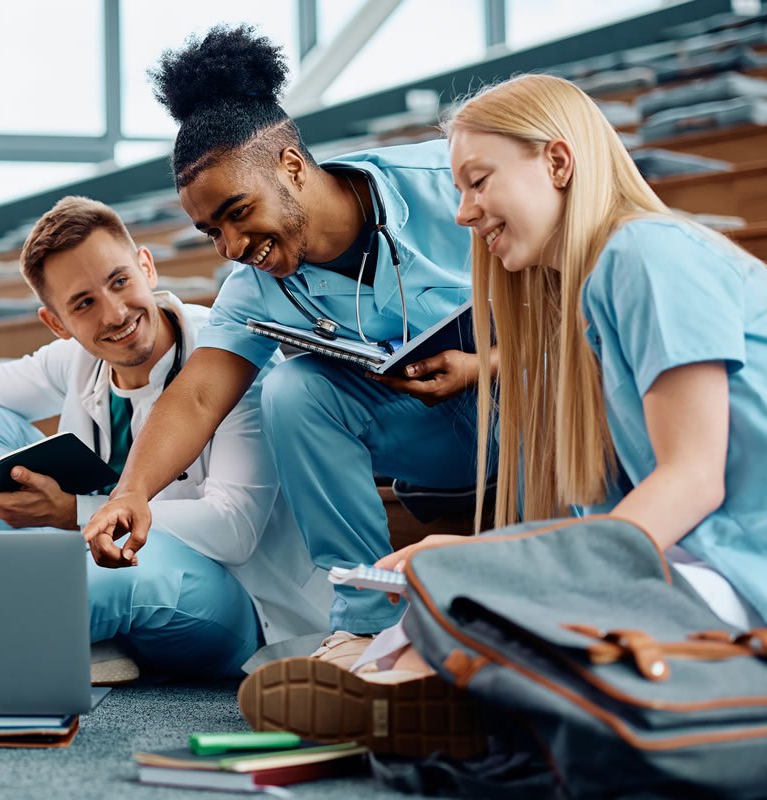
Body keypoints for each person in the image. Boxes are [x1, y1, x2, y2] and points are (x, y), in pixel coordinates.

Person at [242, 73, 767, 751]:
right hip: (702, 569)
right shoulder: (586, 307)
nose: (463, 211)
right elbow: (602, 526)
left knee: (488, 603)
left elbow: (692, 481)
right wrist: (477, 551)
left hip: (754, 578)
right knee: (458, 586)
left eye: (478, 180)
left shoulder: (647, 254)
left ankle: (420, 693)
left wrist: (505, 566)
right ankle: (428, 693)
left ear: (557, 162)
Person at [82, 24, 486, 666]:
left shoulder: (448, 182)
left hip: (536, 413)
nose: (233, 245)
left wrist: (486, 365)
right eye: (211, 230)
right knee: (297, 389)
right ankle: (364, 625)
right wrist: (130, 493)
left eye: (238, 212)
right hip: (436, 452)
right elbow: (197, 396)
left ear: (292, 167)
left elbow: (579, 297)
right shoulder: (254, 286)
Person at [0, 197, 330, 680]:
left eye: (119, 281)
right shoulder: (76, 358)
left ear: (146, 267)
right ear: (57, 323)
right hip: (101, 557)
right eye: (83, 303)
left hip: (236, 599)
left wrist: (75, 513)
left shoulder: (229, 355)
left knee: (119, 578)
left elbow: (233, 531)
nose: (114, 313)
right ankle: (83, 633)